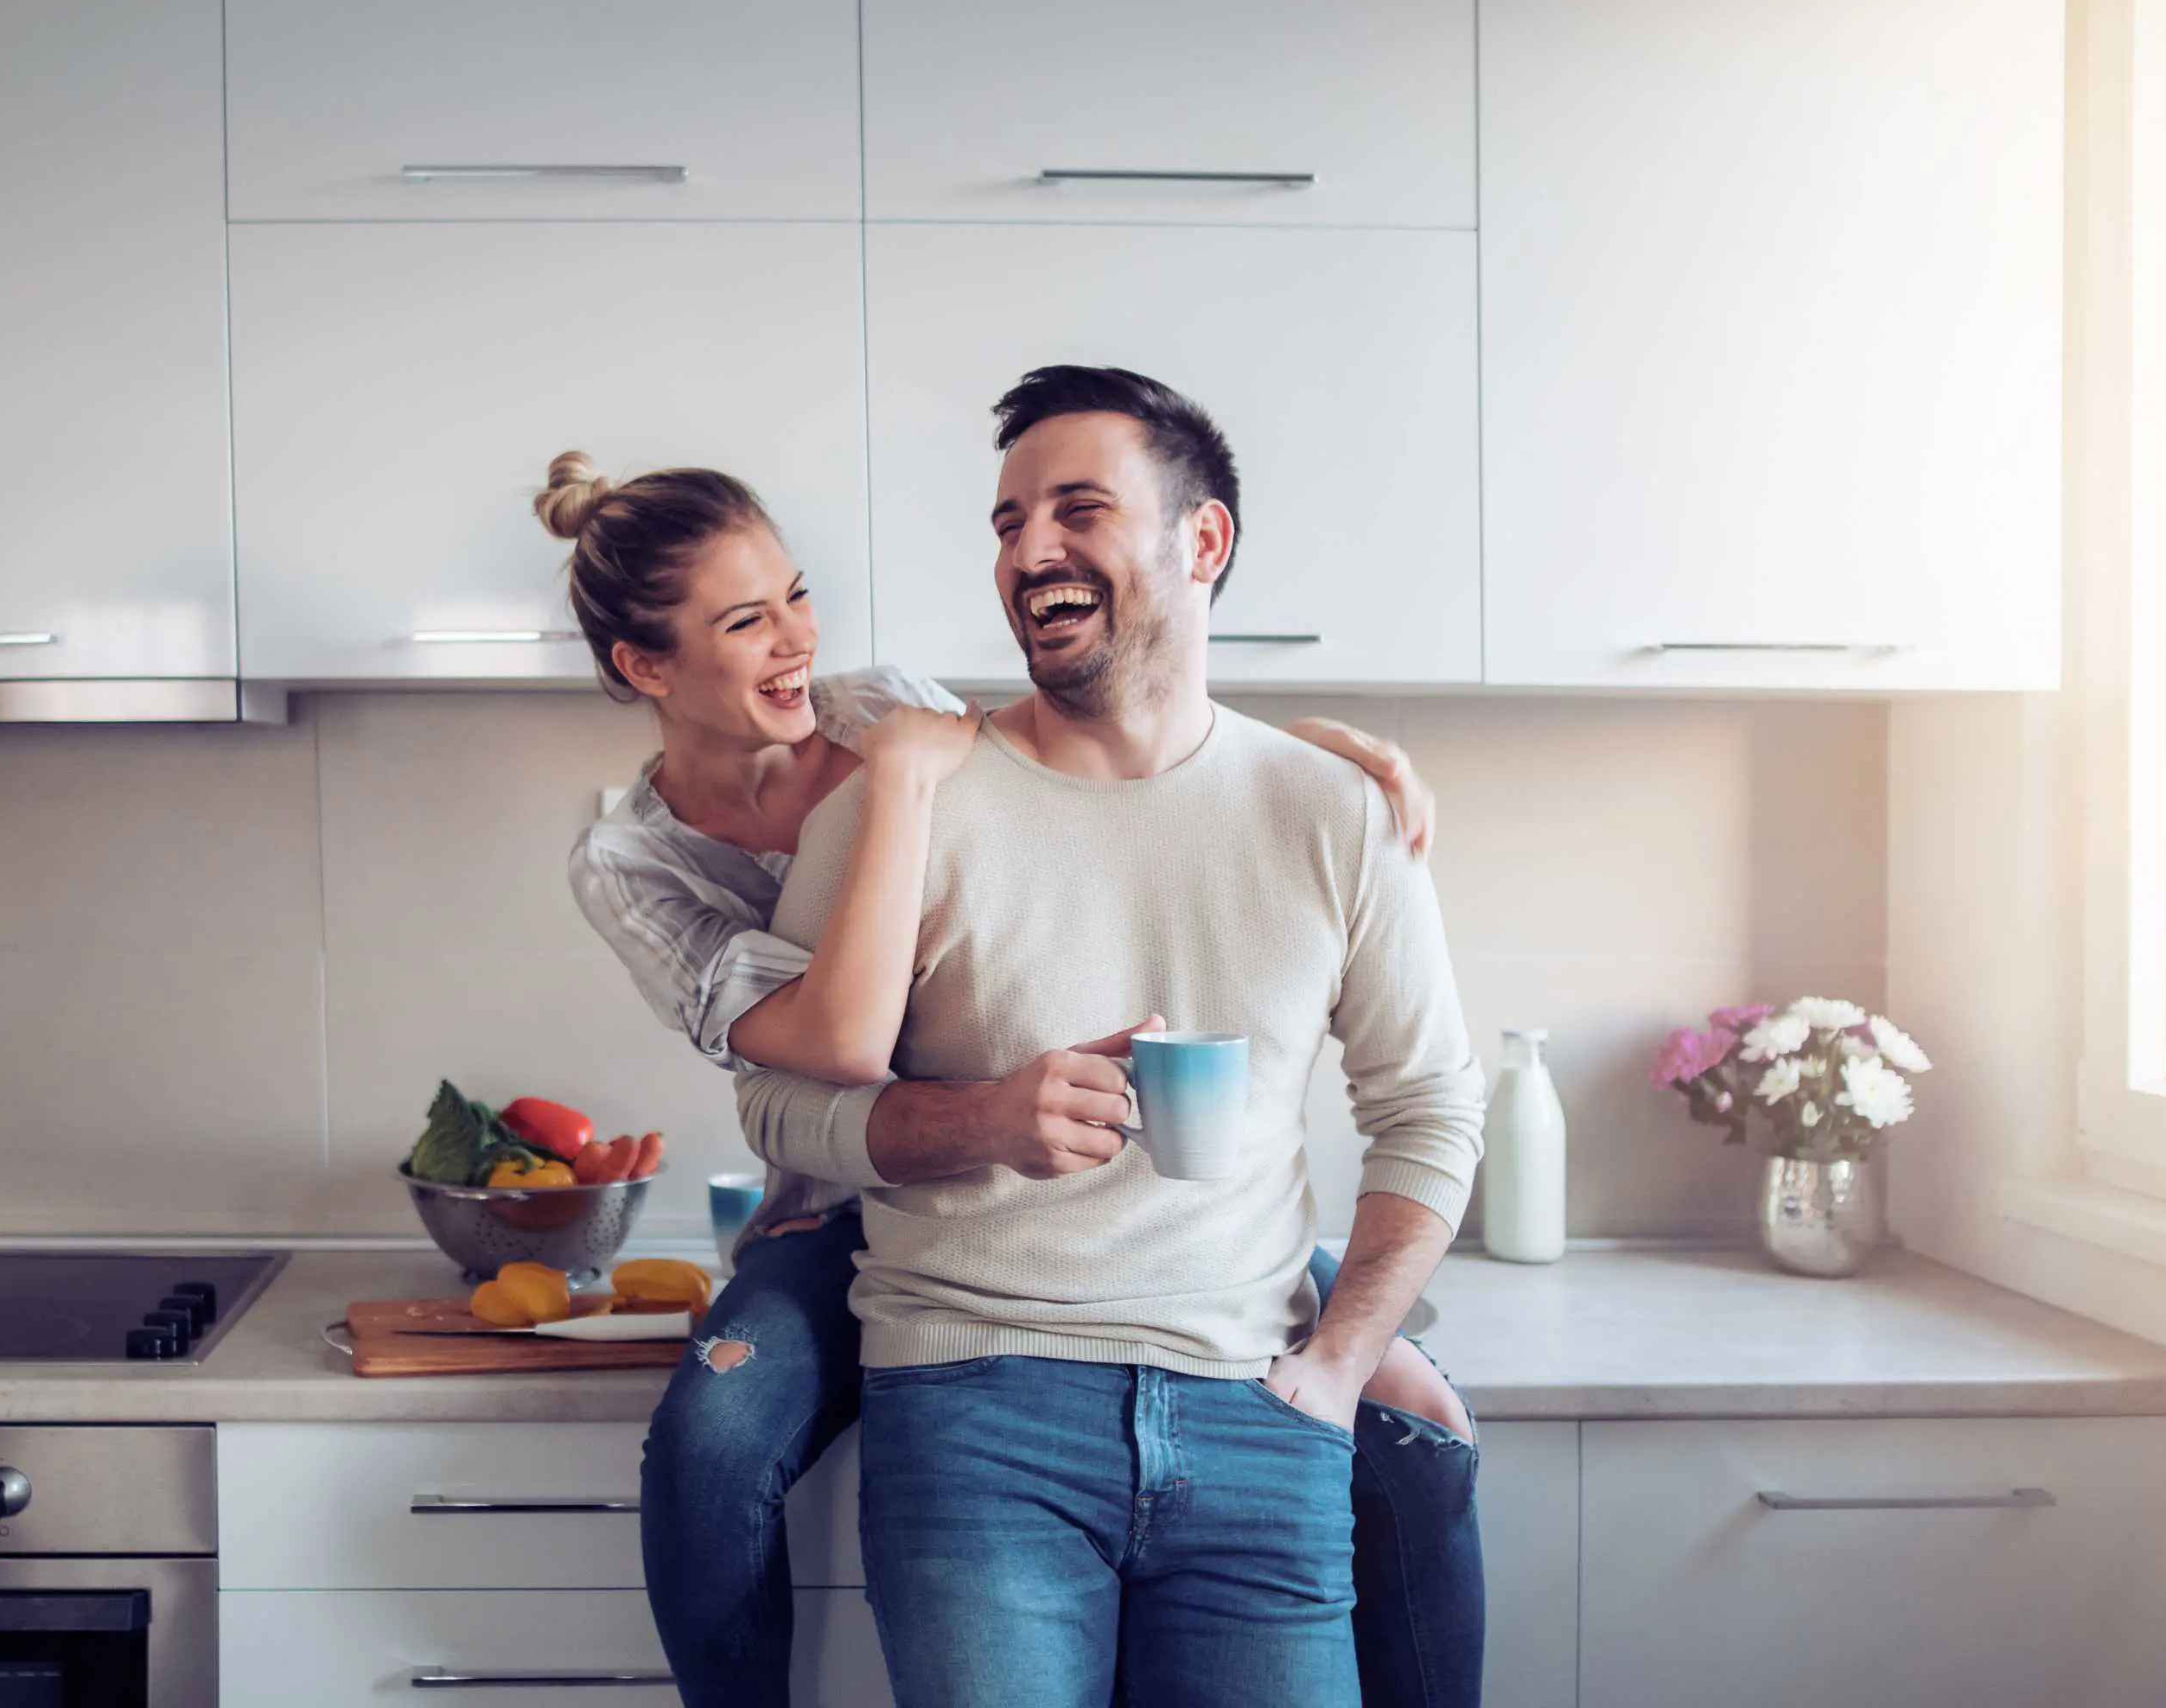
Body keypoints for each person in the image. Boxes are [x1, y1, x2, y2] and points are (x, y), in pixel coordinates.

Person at [551, 449, 1482, 1706]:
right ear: (645, 668)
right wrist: (904, 794)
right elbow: (832, 1052)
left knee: (1420, 1417)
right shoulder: (636, 857)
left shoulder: (880, 708)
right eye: (743, 621)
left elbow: (1104, 731)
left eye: (796, 598)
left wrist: (1304, 775)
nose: (794, 642)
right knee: (711, 1445)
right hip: (852, 1198)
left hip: (1131, 1225)